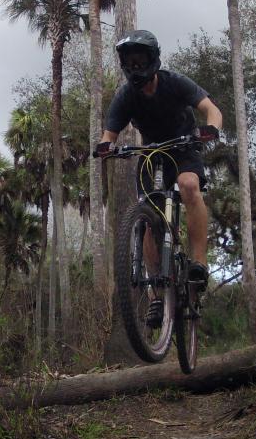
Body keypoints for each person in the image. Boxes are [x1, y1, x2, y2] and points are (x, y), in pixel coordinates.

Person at [95, 29, 222, 319]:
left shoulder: (174, 82)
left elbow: (210, 109)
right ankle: (157, 292)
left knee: (188, 185)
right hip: (152, 153)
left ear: (153, 59)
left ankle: (199, 264)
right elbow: (109, 135)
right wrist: (105, 147)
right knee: (150, 219)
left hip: (184, 145)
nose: (136, 67)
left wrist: (211, 128)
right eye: (130, 62)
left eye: (141, 60)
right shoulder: (126, 96)